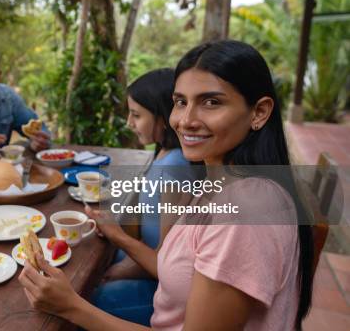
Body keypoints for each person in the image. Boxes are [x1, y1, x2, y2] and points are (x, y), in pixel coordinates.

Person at [18, 40, 313, 330]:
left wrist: (71, 305)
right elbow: (176, 267)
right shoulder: (219, 184)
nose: (186, 121)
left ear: (259, 112)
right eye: (180, 102)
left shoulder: (244, 214)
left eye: (211, 102)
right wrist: (117, 236)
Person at [90, 69, 190, 326]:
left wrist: (117, 267)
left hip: (161, 283)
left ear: (164, 117)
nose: (129, 122)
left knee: (93, 295)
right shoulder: (164, 152)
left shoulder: (176, 167)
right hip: (147, 259)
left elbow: (165, 262)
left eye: (136, 115)